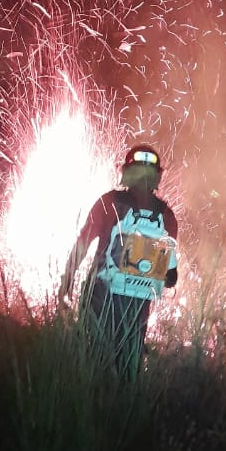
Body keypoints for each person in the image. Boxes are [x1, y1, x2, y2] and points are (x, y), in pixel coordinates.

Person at [60, 144, 178, 378]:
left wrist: (67, 280)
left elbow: (82, 244)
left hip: (99, 296)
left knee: (89, 362)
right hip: (136, 310)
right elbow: (171, 277)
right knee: (126, 370)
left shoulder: (108, 202)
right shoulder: (167, 216)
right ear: (158, 177)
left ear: (126, 172)